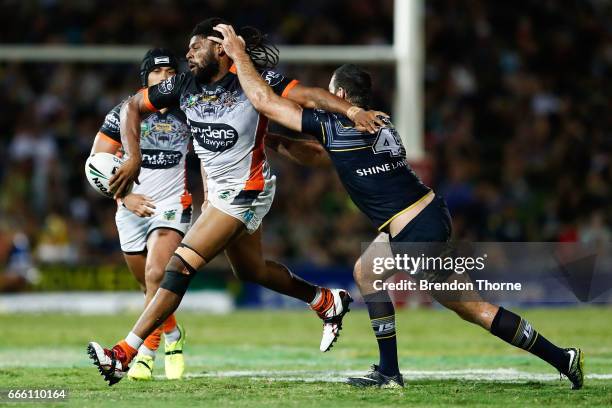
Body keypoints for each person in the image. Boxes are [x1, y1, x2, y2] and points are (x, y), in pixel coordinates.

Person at [209, 24, 585, 390]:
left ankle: (395, 374)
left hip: (414, 229)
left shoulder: (338, 125)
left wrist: (239, 54)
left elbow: (265, 102)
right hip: (424, 216)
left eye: (330, 92)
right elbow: (324, 157)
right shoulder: (378, 124)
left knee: (466, 305)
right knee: (385, 279)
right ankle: (557, 358)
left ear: (338, 92)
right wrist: (269, 141)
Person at [87, 17, 387, 386]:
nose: (188, 54)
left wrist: (352, 111)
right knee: (251, 271)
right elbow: (132, 106)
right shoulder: (183, 85)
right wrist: (132, 157)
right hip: (220, 194)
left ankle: (125, 353)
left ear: (220, 48)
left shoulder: (252, 80)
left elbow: (308, 95)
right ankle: (326, 301)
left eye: (195, 46)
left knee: (179, 266)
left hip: (247, 188)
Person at [90, 48, 190, 380]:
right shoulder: (124, 112)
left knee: (157, 272)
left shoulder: (188, 109)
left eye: (170, 71)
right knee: (149, 287)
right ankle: (174, 334)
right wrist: (126, 195)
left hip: (173, 203)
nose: (165, 78)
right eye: (157, 72)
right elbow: (96, 162)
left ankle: (145, 352)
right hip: (129, 208)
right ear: (145, 77)